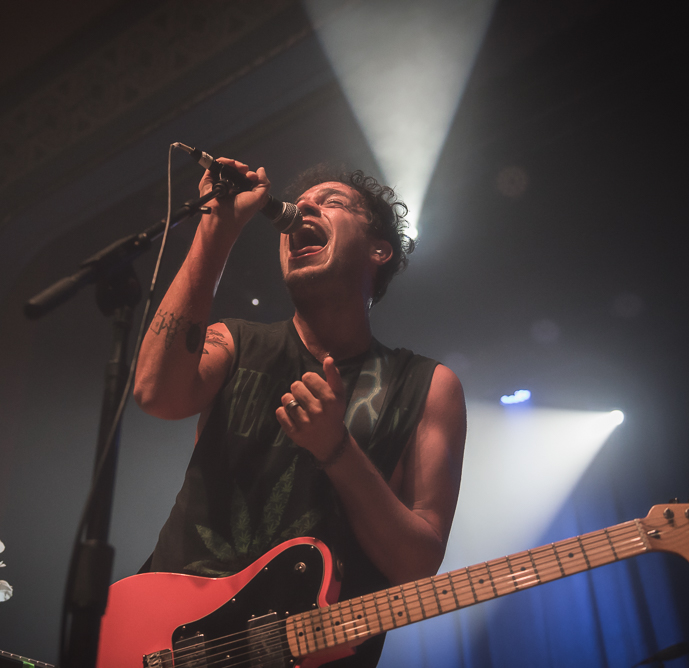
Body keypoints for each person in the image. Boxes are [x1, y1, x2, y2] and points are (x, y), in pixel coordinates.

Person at [133, 158, 466, 666]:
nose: (306, 204)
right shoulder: (235, 342)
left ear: (380, 249)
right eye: (304, 200)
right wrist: (217, 229)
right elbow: (156, 392)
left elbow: (416, 566)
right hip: (167, 645)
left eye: (333, 201)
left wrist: (336, 449)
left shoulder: (426, 385)